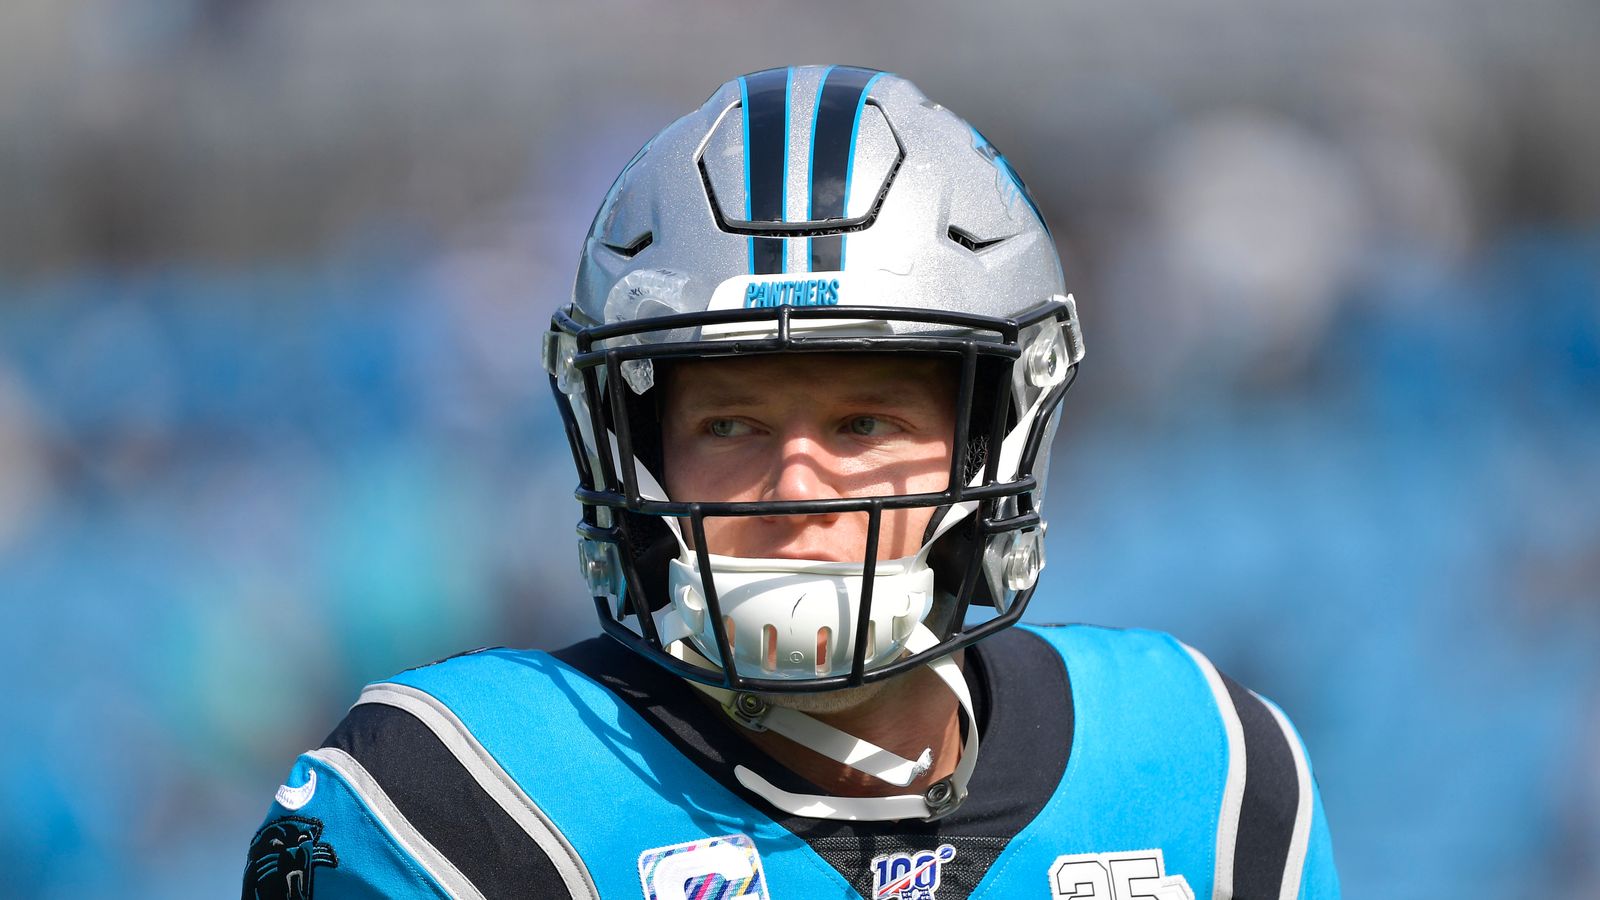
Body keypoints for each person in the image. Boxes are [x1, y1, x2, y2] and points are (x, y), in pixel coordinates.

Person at [243, 65, 1339, 900]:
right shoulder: (454, 794)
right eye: (729, 421)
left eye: (864, 421)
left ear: (992, 442)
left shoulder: (1206, 767)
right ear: (635, 446)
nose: (795, 478)